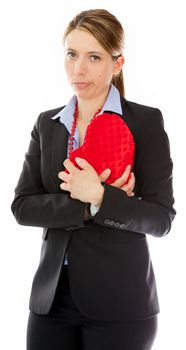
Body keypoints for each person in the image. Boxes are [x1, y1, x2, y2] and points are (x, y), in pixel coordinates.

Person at [11, 8, 176, 350]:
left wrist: (101, 197)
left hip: (121, 302)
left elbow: (161, 219)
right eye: (71, 54)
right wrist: (88, 205)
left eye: (94, 57)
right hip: (50, 300)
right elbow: (23, 206)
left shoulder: (144, 122)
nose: (78, 69)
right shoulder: (47, 123)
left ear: (117, 65)